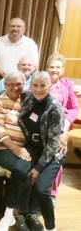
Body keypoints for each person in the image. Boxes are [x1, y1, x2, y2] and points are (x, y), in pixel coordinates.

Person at [0, 72, 64, 231]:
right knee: (19, 171)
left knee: (42, 189)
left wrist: (38, 168)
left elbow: (53, 145)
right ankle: (8, 216)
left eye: (42, 85)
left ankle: (50, 227)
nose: (39, 89)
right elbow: (8, 91)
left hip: (51, 152)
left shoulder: (55, 108)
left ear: (49, 86)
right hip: (33, 147)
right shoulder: (29, 98)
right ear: (30, 86)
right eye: (35, 85)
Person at [0, 71, 31, 230]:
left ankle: (15, 214)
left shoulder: (29, 101)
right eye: (11, 84)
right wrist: (16, 149)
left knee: (27, 170)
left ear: (24, 84)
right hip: (4, 148)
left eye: (19, 84)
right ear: (5, 85)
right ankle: (13, 214)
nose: (15, 87)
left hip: (27, 149)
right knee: (21, 170)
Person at [46, 53, 79, 205]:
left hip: (61, 128)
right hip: (43, 128)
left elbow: (74, 108)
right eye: (52, 67)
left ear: (62, 70)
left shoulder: (67, 85)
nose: (54, 70)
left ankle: (52, 194)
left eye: (58, 67)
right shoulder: (41, 82)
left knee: (56, 160)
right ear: (47, 68)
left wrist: (66, 123)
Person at [0, 18, 39, 87]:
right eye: (12, 26)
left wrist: (18, 79)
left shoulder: (31, 44)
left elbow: (34, 66)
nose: (15, 28)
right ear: (8, 28)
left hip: (21, 87)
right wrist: (7, 77)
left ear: (24, 29)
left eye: (18, 26)